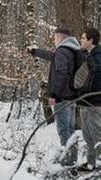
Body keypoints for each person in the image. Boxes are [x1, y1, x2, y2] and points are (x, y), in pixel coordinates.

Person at [27, 28, 81, 166]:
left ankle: (67, 161)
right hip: (72, 96)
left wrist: (54, 94)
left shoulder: (62, 51)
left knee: (64, 129)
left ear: (60, 37)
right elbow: (53, 56)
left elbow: (61, 73)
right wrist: (35, 52)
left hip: (62, 96)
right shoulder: (71, 49)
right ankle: (72, 160)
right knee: (71, 130)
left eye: (55, 37)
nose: (54, 40)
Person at [77, 27, 101, 172]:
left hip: (94, 103)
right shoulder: (89, 54)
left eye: (83, 38)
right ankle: (91, 165)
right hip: (85, 102)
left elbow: (99, 81)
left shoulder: (99, 56)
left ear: (91, 40)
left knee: (98, 136)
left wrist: (86, 94)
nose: (81, 40)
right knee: (88, 136)